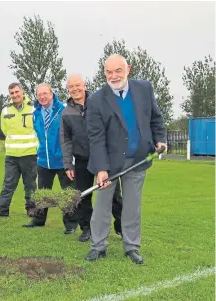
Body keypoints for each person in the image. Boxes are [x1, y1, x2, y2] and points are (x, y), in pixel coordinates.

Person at [85, 54, 167, 264]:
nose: (113, 76)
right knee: (102, 206)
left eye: (118, 71)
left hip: (138, 158)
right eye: (109, 72)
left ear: (127, 69)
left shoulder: (144, 89)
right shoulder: (95, 100)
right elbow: (96, 137)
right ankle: (98, 246)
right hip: (109, 164)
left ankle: (131, 247)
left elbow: (156, 118)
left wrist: (160, 139)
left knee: (132, 206)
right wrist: (101, 168)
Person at [60, 74, 123, 242]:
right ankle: (87, 228)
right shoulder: (66, 113)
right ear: (68, 90)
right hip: (81, 159)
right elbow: (65, 140)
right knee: (83, 196)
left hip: (103, 157)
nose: (74, 89)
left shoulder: (98, 103)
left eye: (77, 85)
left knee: (113, 195)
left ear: (84, 85)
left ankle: (121, 226)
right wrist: (68, 165)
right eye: (71, 87)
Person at [22, 83, 76, 233]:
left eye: (45, 93)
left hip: (62, 160)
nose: (42, 97)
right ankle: (39, 220)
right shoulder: (36, 113)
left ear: (52, 94)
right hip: (44, 160)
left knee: (68, 194)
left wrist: (69, 158)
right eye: (39, 94)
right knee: (43, 192)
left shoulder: (63, 109)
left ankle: (70, 225)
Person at [0, 82, 38, 218]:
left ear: (22, 92)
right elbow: (4, 130)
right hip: (11, 155)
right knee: (8, 183)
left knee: (30, 184)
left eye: (16, 92)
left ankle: (31, 209)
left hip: (30, 153)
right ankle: (2, 209)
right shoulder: (5, 111)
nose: (15, 95)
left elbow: (38, 128)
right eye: (12, 93)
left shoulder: (34, 108)